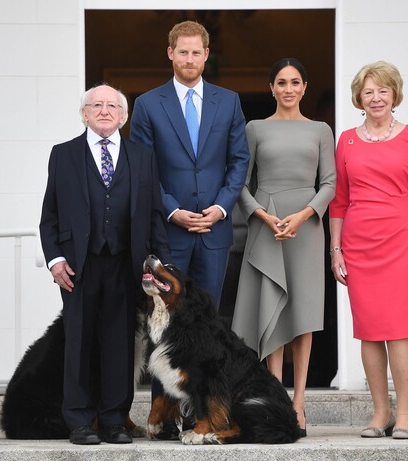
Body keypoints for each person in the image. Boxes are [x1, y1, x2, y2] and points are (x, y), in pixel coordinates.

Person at [39, 84, 170, 445]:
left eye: (112, 105)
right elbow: (49, 217)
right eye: (95, 105)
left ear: (124, 116)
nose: (104, 110)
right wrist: (55, 260)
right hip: (79, 266)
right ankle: (79, 421)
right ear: (83, 113)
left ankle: (113, 420)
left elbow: (156, 214)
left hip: (126, 264)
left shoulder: (142, 157)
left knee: (119, 344)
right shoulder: (63, 155)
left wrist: (158, 265)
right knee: (78, 342)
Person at [329, 61, 408, 440]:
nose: (376, 98)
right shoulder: (345, 140)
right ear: (359, 98)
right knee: (369, 331)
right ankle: (380, 413)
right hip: (359, 244)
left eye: (383, 91)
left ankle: (405, 412)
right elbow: (339, 202)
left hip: (403, 241)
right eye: (368, 92)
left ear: (395, 95)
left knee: (399, 329)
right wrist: (335, 250)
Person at [231, 58, 336, 436]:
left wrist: (304, 215)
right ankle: (275, 397)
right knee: (271, 310)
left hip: (306, 229)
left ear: (305, 87)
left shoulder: (321, 130)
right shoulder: (254, 128)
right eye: (281, 82)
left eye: (295, 82)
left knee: (303, 315)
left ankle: (299, 402)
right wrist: (263, 215)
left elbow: (329, 183)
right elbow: (239, 183)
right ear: (272, 88)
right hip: (268, 224)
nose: (288, 88)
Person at [129, 20, 250, 309]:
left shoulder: (229, 101)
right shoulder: (147, 105)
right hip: (168, 233)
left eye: (196, 53)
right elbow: (141, 168)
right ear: (170, 53)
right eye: (183, 52)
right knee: (167, 319)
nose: (189, 60)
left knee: (209, 318)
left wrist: (221, 208)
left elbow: (239, 159)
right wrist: (171, 210)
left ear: (207, 54)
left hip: (214, 231)